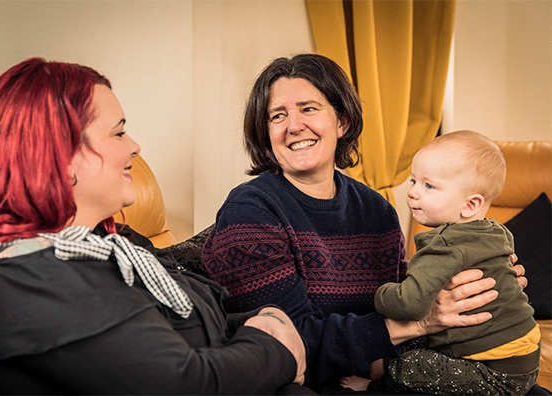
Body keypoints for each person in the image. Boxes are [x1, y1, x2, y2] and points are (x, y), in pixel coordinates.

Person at [0, 57, 309, 395]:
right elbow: (182, 385)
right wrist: (274, 348)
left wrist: (264, 321)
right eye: (118, 133)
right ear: (59, 158)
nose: (135, 147)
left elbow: (184, 326)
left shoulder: (112, 242)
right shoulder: (22, 276)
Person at [201, 54, 526, 391]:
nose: (294, 125)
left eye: (308, 108)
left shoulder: (377, 210)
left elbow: (402, 289)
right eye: (277, 115)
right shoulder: (250, 211)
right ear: (265, 133)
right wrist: (420, 321)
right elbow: (292, 343)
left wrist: (473, 278)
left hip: (379, 373)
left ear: (342, 122)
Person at [340, 130, 540, 395]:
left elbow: (409, 304)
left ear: (470, 205)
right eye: (414, 181)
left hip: (494, 371)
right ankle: (380, 364)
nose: (412, 193)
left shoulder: (443, 244)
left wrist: (380, 293)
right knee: (417, 340)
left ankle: (375, 385)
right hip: (525, 355)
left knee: (412, 366)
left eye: (429, 186)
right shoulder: (496, 230)